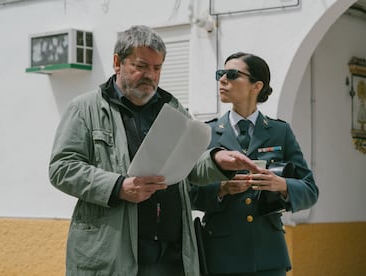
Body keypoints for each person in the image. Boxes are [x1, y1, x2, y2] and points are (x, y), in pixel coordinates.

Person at [48, 26, 259, 276]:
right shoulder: (85, 108)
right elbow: (62, 168)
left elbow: (188, 167)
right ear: (117, 62)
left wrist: (218, 161)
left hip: (172, 255)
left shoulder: (171, 107)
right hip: (114, 255)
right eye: (141, 66)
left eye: (157, 68)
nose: (150, 75)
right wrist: (118, 187)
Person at [190, 52, 319, 276]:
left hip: (268, 255)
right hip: (220, 256)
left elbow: (310, 190)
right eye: (220, 74)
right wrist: (221, 190)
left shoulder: (280, 131)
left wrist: (282, 185)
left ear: (256, 86)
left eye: (232, 74)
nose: (222, 80)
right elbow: (188, 192)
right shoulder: (206, 132)